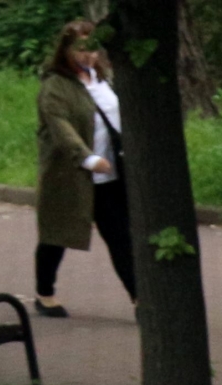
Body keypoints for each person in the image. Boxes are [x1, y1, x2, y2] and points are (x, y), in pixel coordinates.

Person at [34, 20, 135, 317]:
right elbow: (60, 128)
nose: (87, 56)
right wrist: (88, 158)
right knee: (57, 236)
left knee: (121, 238)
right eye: (80, 49)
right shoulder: (55, 86)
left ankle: (140, 299)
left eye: (92, 49)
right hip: (71, 175)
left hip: (111, 175)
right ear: (65, 49)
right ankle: (44, 291)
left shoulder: (103, 78)